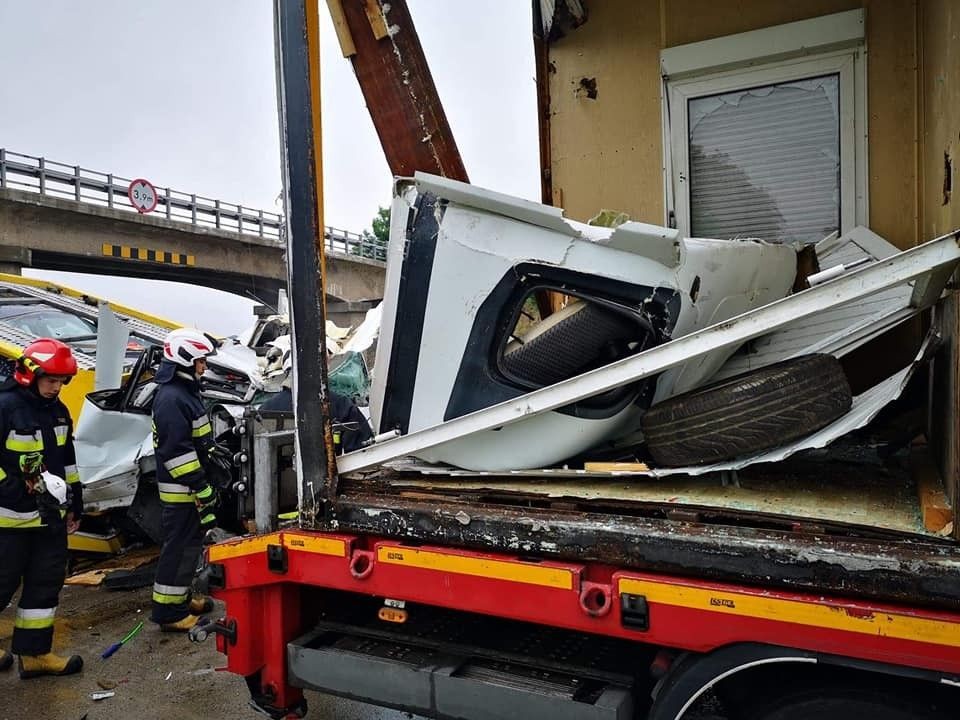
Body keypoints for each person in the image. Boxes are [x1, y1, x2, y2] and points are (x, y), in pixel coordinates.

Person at [0, 338, 84, 678]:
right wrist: (11, 489)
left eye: (61, 381)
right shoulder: (5, 407)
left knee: (45, 585)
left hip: (49, 518)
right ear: (30, 374)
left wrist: (75, 500)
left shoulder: (58, 411)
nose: (56, 387)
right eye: (50, 380)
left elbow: (66, 462)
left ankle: (35, 654)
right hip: (9, 520)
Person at [150, 328, 230, 631]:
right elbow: (177, 452)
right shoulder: (172, 398)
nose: (204, 367)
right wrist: (200, 486)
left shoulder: (183, 392)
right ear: (185, 360)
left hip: (188, 490)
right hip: (182, 491)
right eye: (200, 361)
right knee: (179, 550)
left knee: (188, 548)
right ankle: (169, 613)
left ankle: (180, 600)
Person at [259, 350, 372, 453]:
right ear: (321, 369)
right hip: (331, 469)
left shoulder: (265, 409)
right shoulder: (340, 405)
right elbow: (363, 454)